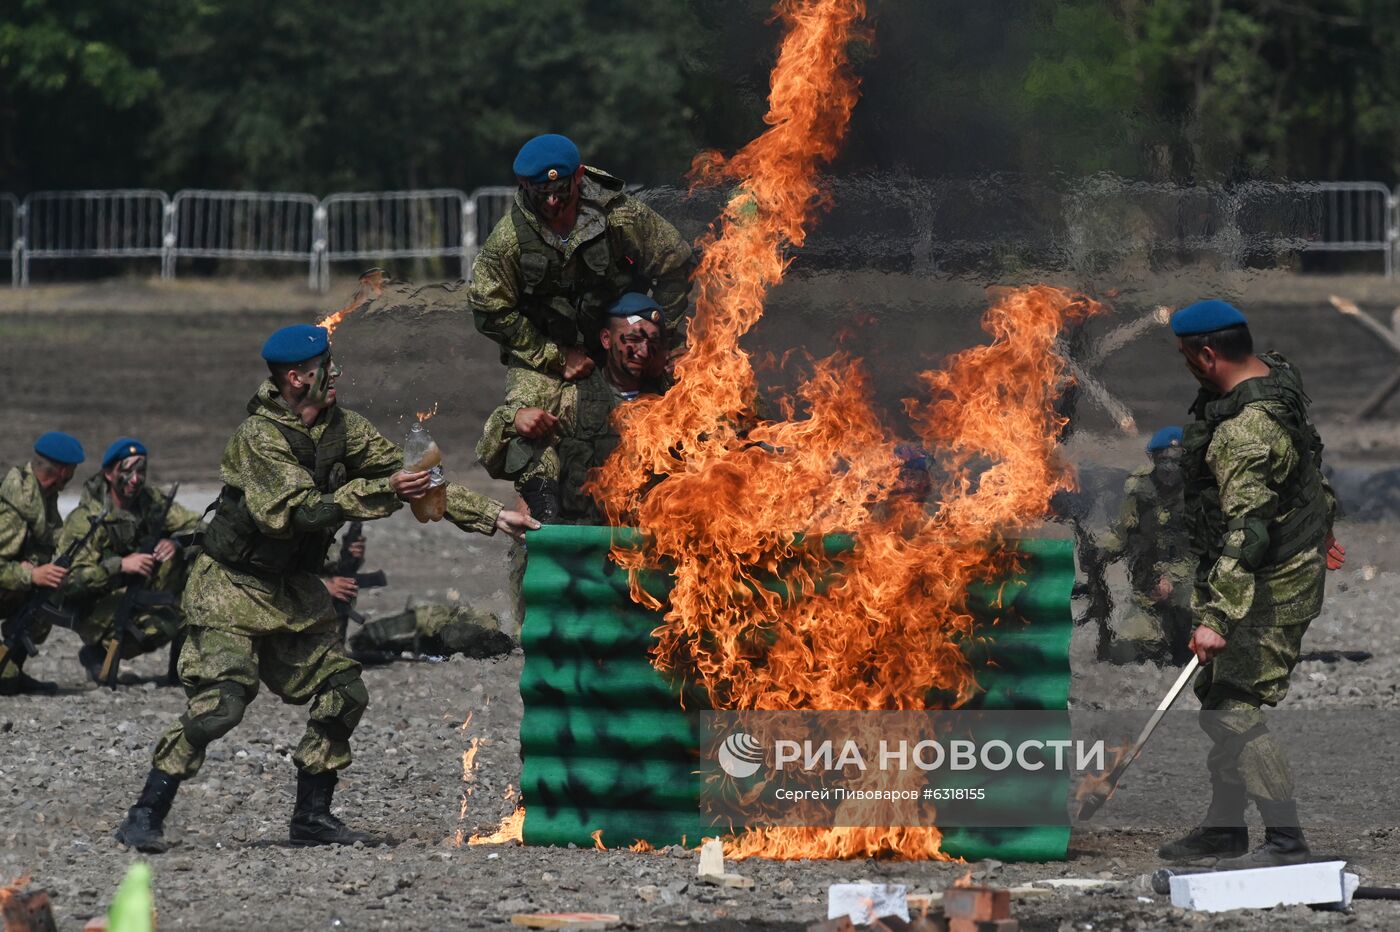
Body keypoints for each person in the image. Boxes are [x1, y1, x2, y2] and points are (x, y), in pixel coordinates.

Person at [113, 323, 538, 853]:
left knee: (343, 691)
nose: (334, 375)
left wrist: (493, 516)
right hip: (231, 589)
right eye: (324, 368)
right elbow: (298, 513)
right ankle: (145, 813)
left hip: (292, 592)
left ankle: (312, 817)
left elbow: (421, 480)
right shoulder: (260, 438)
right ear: (296, 377)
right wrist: (383, 489)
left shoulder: (345, 428)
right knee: (222, 703)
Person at [1155, 300, 1345, 868]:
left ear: (1209, 355)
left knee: (1235, 704)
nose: (1188, 366)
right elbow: (1303, 467)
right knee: (1217, 694)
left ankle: (1287, 842)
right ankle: (1224, 828)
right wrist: (1318, 523)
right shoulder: (1276, 374)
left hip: (1273, 578)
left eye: (1189, 357)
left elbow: (1247, 531)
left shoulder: (1244, 433)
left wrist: (1217, 617)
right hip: (1284, 555)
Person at [469, 133, 693, 519]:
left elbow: (674, 262)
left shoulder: (620, 216)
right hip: (547, 348)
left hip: (624, 338)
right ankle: (547, 514)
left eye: (561, 192)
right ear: (525, 186)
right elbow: (489, 310)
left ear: (578, 177)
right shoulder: (508, 243)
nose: (554, 203)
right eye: (543, 195)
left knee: (702, 394)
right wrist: (555, 357)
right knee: (528, 418)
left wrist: (666, 341)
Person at [59, 438, 204, 685]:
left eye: (141, 472)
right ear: (108, 473)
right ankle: (97, 654)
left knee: (198, 564)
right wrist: (121, 565)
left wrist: (177, 542)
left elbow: (202, 526)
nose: (135, 480)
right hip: (101, 606)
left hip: (141, 591)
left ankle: (183, 666)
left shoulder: (153, 503)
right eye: (126, 472)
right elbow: (68, 581)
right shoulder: (87, 519)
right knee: (162, 624)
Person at [1098, 426, 1193, 665]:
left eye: (1176, 461)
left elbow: (1207, 549)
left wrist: (1174, 580)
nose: (1169, 467)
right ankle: (1159, 634)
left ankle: (1183, 633)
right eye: (1163, 460)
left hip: (1190, 584)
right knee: (1126, 651)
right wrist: (1098, 554)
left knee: (1195, 645)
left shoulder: (1199, 493)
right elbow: (1122, 534)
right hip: (1149, 585)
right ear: (1154, 460)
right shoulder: (1140, 488)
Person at [0, 432, 84, 695]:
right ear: (62, 470)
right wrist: (31, 575)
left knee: (47, 596)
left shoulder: (43, 499)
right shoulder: (15, 508)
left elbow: (50, 541)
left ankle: (9, 669)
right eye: (71, 471)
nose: (71, 477)